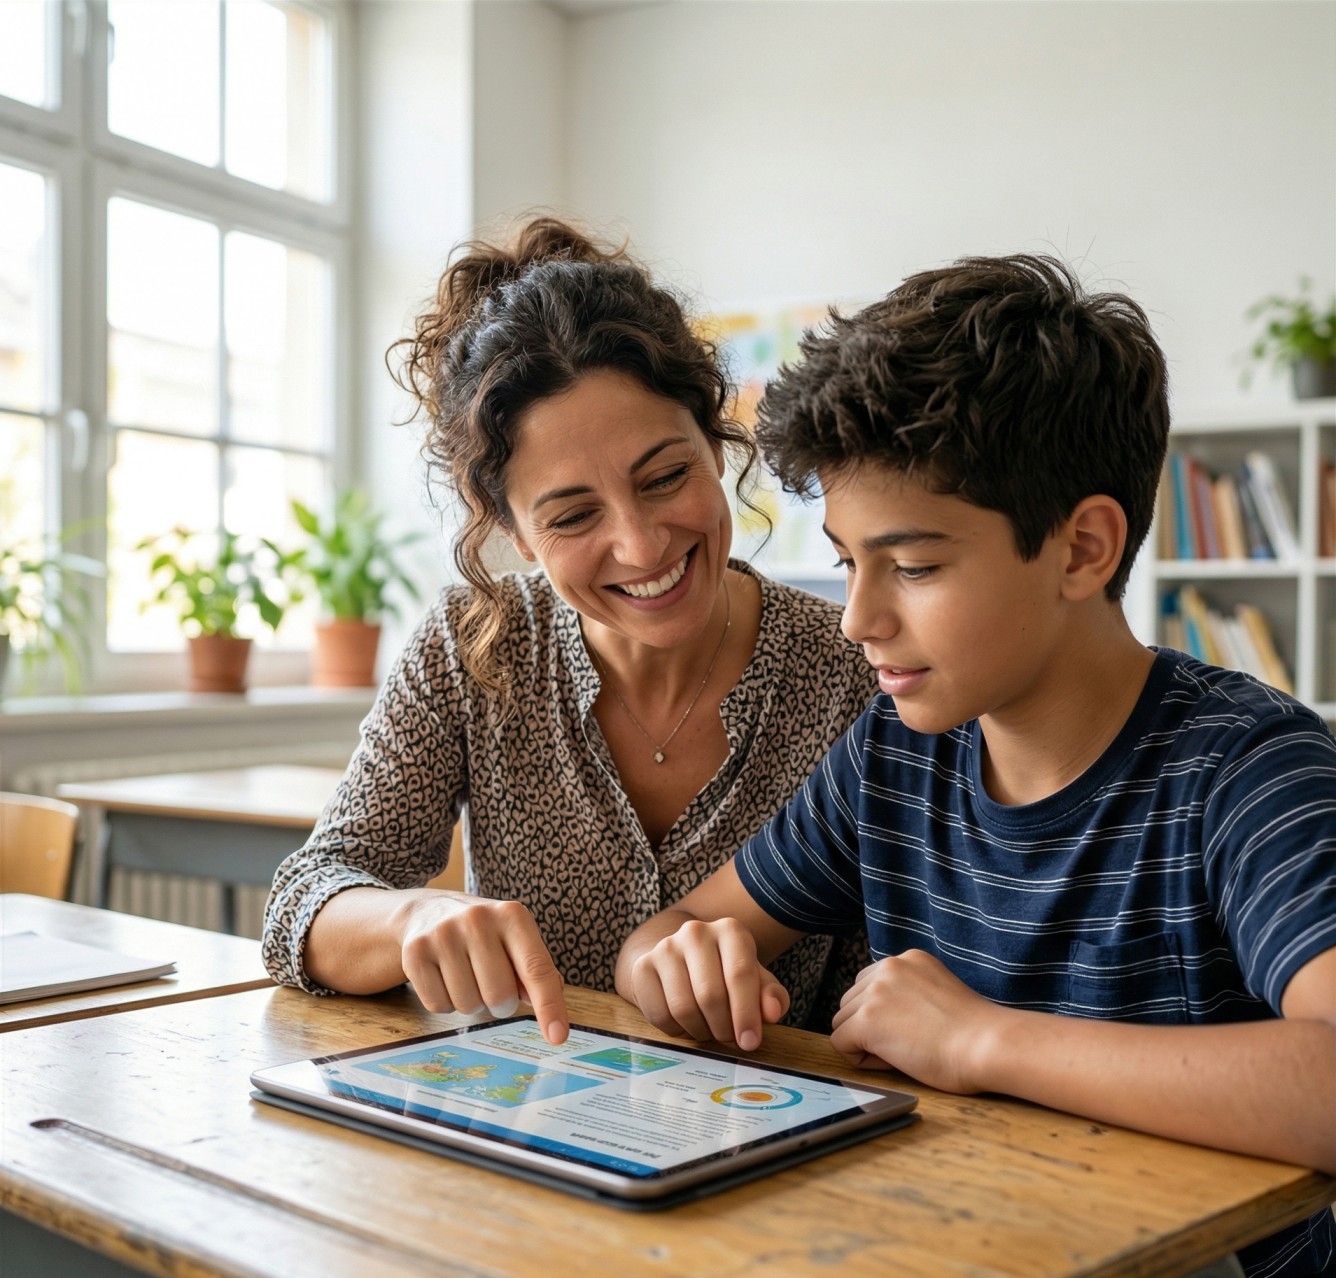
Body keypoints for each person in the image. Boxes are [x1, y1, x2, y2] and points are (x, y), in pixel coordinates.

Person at [615, 255, 1336, 1278]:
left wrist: (984, 1042)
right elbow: (674, 932)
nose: (860, 618)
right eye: (847, 562)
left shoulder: (1248, 771)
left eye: (912, 567)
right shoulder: (892, 760)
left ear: (1083, 549)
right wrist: (673, 964)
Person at [262, 217, 876, 1044]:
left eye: (665, 477)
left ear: (716, 443)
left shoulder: (858, 667)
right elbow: (305, 896)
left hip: (774, 1128)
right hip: (527, 1127)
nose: (641, 544)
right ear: (515, 536)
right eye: (574, 514)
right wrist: (409, 918)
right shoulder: (474, 648)